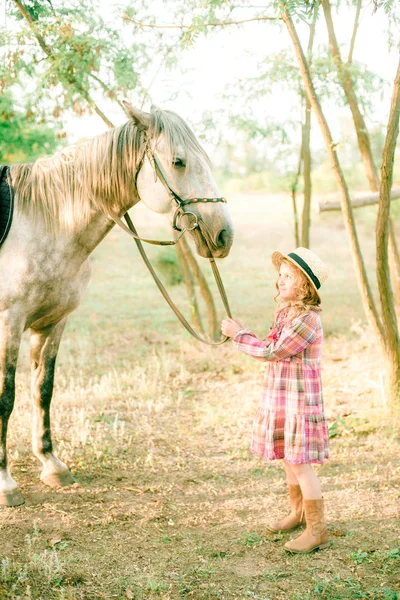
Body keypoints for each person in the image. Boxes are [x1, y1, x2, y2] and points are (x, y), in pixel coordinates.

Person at [221, 247, 330, 553]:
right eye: (279, 276)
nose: (280, 281)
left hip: (299, 401)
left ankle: (317, 529)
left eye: (287, 277)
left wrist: (239, 334)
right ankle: (298, 512)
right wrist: (246, 336)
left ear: (304, 286)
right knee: (288, 458)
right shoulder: (286, 313)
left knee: (301, 464)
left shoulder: (307, 320)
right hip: (282, 396)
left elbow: (272, 352)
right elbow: (270, 343)